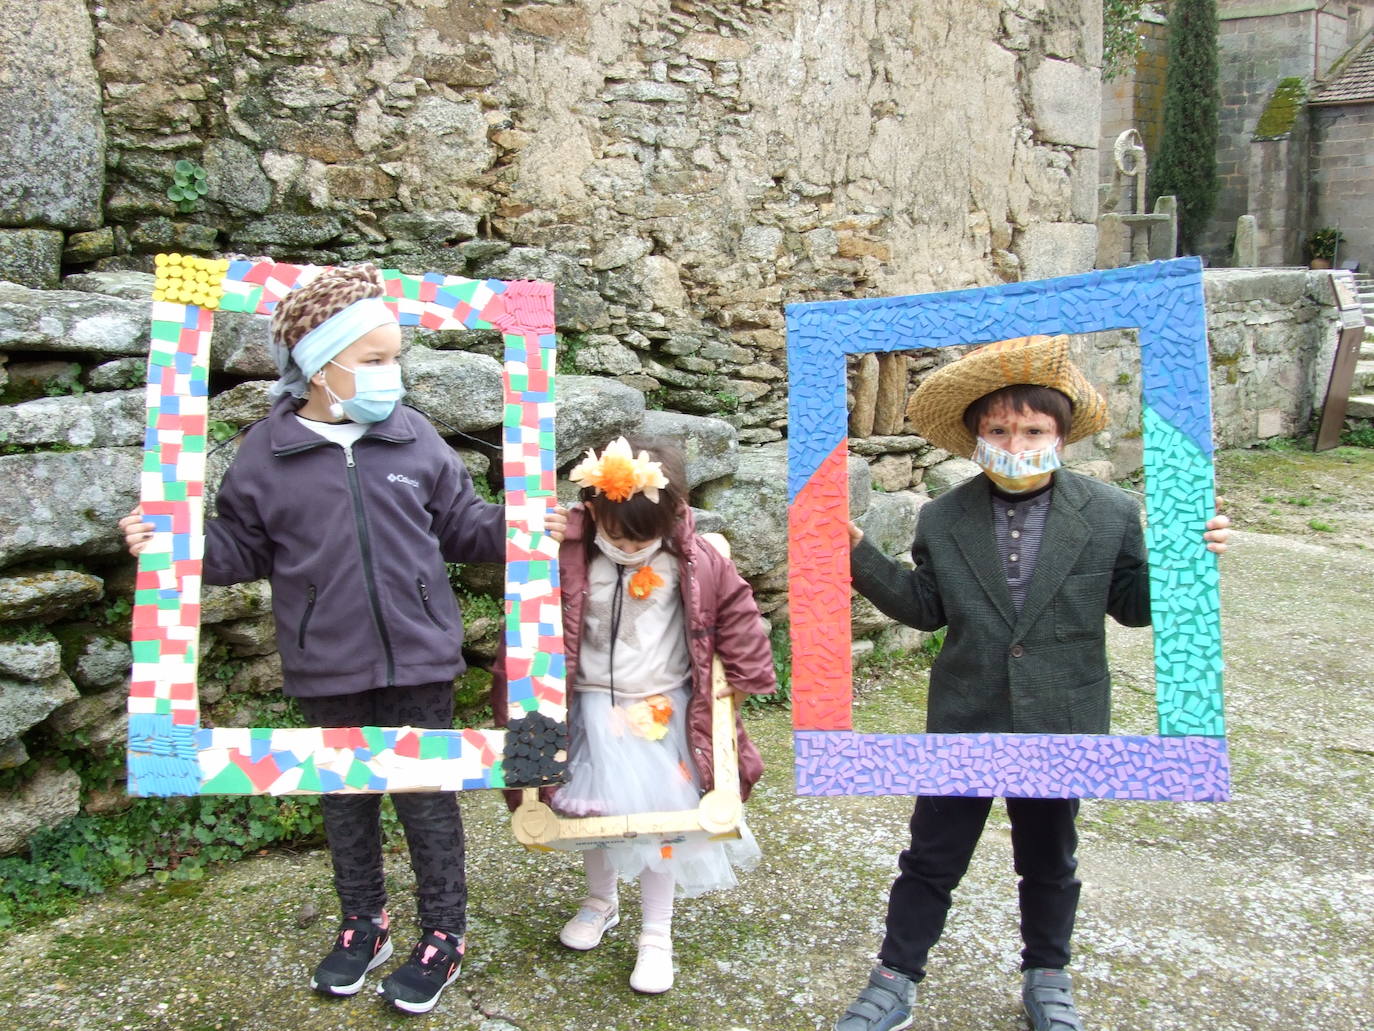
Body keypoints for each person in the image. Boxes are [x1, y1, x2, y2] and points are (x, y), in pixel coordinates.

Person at [120, 264, 565, 1016]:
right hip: (325, 662)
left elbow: (462, 524)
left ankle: (443, 933)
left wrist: (523, 527)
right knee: (345, 798)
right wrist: (171, 544)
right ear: (321, 366)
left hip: (421, 655)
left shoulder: (415, 436)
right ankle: (365, 922)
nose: (393, 374)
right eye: (376, 360)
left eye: (396, 358)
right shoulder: (266, 452)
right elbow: (239, 548)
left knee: (427, 798)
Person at [833, 335, 1231, 1031]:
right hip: (965, 715)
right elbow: (925, 608)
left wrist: (1189, 559)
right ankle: (894, 978)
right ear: (976, 435)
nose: (1015, 441)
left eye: (1033, 428)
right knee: (931, 856)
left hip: (1063, 720)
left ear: (1062, 434)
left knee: (1050, 857)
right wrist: (855, 553)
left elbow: (1134, 608)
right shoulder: (943, 516)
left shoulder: (1108, 512)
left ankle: (1047, 974)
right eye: (998, 429)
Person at [495, 435, 776, 994]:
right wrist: (555, 538)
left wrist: (739, 687)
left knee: (660, 822)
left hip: (663, 712)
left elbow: (739, 617)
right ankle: (601, 900)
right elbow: (529, 618)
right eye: (616, 533)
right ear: (595, 507)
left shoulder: (698, 559)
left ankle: (656, 932)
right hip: (590, 708)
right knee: (590, 816)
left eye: (643, 537)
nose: (628, 546)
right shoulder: (571, 551)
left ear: (674, 516)